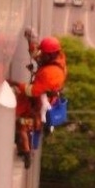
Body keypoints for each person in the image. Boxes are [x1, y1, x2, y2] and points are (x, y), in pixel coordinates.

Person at [11, 33, 67, 167]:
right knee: (24, 124)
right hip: (41, 102)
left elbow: (33, 91)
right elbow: (38, 56)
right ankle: (24, 149)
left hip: (39, 103)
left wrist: (16, 85)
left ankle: (25, 151)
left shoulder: (51, 73)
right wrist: (32, 41)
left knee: (22, 125)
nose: (41, 55)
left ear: (50, 54)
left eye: (44, 53)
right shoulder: (57, 59)